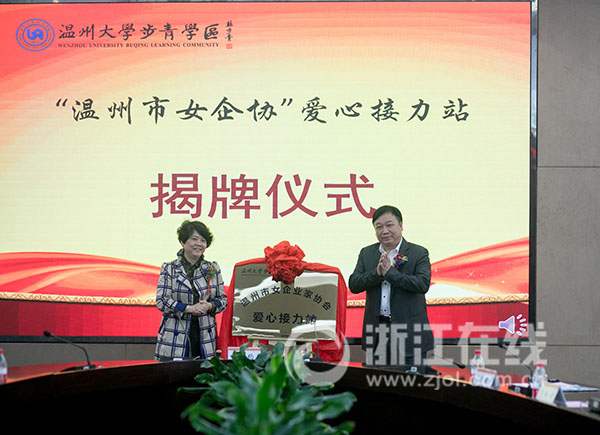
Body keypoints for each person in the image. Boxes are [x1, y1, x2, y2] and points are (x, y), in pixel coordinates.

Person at [349, 205, 434, 368]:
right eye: (379, 227)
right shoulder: (367, 253)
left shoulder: (418, 253)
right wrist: (377, 273)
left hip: (409, 333)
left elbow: (422, 284)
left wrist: (390, 273)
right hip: (377, 332)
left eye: (389, 225)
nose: (384, 231)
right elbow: (354, 284)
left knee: (411, 381)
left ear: (401, 225)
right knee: (376, 380)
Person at [155, 220, 227, 360]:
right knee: (174, 372)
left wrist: (210, 305)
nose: (199, 243)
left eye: (203, 240)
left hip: (204, 335)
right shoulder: (169, 268)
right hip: (175, 333)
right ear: (182, 242)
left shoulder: (212, 268)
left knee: (204, 372)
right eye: (194, 239)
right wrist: (188, 308)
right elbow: (162, 301)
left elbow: (223, 300)